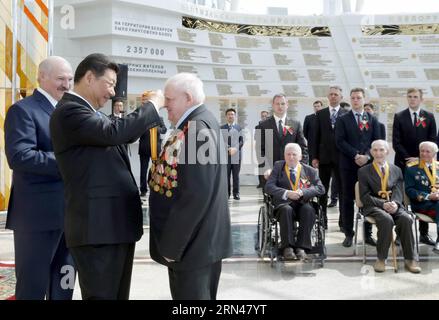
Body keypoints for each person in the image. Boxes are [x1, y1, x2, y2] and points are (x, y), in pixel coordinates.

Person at [50, 53, 164, 300]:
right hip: (97, 230)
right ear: (90, 77)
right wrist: (152, 106)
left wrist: (143, 114)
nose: (113, 93)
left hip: (112, 227)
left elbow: (121, 135)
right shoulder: (70, 111)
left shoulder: (90, 113)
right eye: (110, 84)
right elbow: (113, 133)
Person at [148, 72, 232, 300]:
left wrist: (173, 246)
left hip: (192, 247)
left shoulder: (197, 129)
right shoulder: (195, 124)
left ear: (187, 97)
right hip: (196, 243)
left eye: (169, 100)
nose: (165, 106)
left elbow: (196, 194)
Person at [4, 56, 75, 300]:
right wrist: (70, 160)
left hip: (71, 216)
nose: (66, 84)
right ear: (42, 77)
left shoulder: (68, 112)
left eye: (69, 79)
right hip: (36, 218)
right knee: (32, 288)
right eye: (60, 79)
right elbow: (20, 157)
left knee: (65, 283)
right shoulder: (23, 111)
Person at [358, 140, 421, 273]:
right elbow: (364, 196)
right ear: (371, 152)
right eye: (375, 150)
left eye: (381, 150)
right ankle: (381, 258)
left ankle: (410, 259)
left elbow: (398, 191)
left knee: (406, 219)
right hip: (373, 206)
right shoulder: (363, 171)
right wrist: (383, 204)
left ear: (387, 152)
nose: (378, 153)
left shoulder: (396, 169)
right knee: (386, 219)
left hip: (394, 205)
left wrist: (396, 204)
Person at [335, 88, 381, 247]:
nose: (355, 100)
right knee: (347, 199)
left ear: (364, 99)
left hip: (368, 166)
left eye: (358, 98)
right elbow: (339, 141)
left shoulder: (372, 119)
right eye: (353, 98)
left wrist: (367, 156)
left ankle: (367, 234)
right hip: (348, 165)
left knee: (369, 199)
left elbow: (376, 141)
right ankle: (348, 233)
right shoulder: (342, 119)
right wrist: (355, 155)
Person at [265, 143, 325, 260]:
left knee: (308, 209)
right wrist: (287, 193)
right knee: (286, 210)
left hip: (303, 202)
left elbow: (320, 188)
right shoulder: (278, 167)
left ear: (300, 156)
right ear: (284, 156)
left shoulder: (310, 171)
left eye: (294, 154)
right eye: (288, 154)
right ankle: (287, 248)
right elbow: (269, 186)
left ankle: (301, 247)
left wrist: (303, 192)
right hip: (284, 204)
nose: (291, 157)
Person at [393, 88, 437, 246]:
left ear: (421, 99)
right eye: (410, 97)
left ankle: (423, 234)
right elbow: (396, 142)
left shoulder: (429, 117)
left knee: (424, 192)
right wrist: (409, 158)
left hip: (424, 163)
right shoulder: (399, 116)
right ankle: (400, 233)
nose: (412, 99)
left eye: (415, 97)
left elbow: (433, 140)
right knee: (403, 198)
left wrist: (420, 158)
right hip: (404, 163)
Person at [312, 86, 347, 230]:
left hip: (342, 159)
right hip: (324, 159)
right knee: (322, 190)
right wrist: (314, 157)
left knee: (343, 191)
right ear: (328, 96)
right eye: (331, 94)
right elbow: (314, 137)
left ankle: (343, 221)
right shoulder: (320, 114)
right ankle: (322, 218)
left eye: (336, 94)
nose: (333, 97)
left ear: (341, 97)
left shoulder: (347, 114)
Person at [259, 93, 308, 173]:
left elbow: (303, 148)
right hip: (271, 171)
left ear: (287, 105)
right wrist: (266, 168)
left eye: (283, 103)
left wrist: (301, 167)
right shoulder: (263, 125)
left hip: (292, 170)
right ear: (273, 105)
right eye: (277, 104)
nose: (280, 106)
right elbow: (260, 149)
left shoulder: (295, 124)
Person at [405, 141, 439, 253]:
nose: (424, 154)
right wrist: (428, 196)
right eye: (422, 151)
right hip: (421, 204)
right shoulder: (411, 168)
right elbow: (409, 190)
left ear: (434, 153)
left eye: (428, 151)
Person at [139, 92, 167, 197]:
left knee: (156, 169)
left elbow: (164, 129)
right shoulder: (142, 118)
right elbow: (136, 131)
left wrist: (156, 129)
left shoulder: (159, 118)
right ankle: (143, 190)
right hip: (144, 148)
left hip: (156, 148)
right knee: (143, 170)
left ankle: (155, 187)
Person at [221, 108, 244, 200]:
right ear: (226, 116)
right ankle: (226, 194)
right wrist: (227, 149)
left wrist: (235, 148)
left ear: (235, 116)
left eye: (232, 114)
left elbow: (241, 141)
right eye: (229, 114)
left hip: (236, 156)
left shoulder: (239, 128)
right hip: (226, 156)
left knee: (236, 176)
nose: (231, 116)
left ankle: (236, 193)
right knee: (226, 176)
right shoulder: (222, 128)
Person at [303, 100, 323, 164]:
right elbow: (305, 132)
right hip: (312, 145)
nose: (316, 108)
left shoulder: (325, 117)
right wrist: (311, 139)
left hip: (323, 146)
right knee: (312, 164)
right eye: (315, 106)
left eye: (318, 106)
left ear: (321, 107)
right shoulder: (308, 118)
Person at [255, 110, 269, 188]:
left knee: (268, 166)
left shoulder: (271, 126)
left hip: (269, 149)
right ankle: (261, 183)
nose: (264, 117)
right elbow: (256, 138)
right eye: (262, 116)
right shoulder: (257, 127)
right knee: (261, 166)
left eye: (265, 116)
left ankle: (268, 182)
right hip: (259, 149)